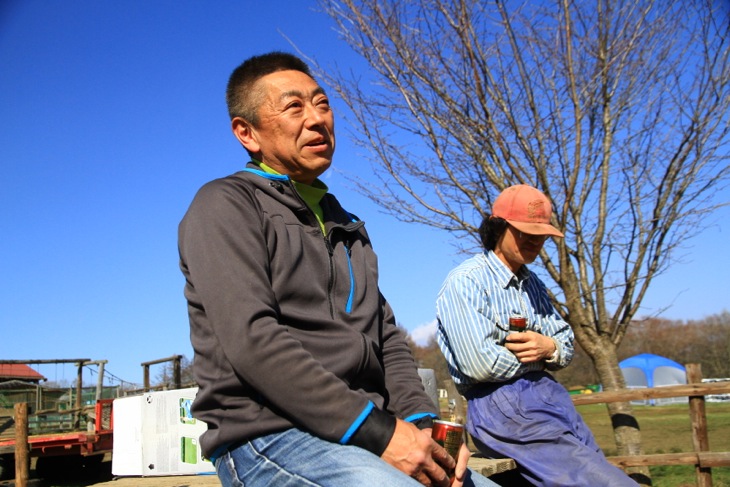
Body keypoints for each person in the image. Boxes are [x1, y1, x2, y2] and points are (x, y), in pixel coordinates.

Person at [178, 51, 498, 487]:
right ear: (246, 133)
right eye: (294, 107)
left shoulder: (348, 225)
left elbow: (386, 339)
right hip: (270, 436)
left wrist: (421, 425)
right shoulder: (224, 205)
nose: (316, 119)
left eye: (322, 104)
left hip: (367, 433)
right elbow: (253, 341)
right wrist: (380, 432)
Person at [435, 185, 638, 486]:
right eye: (523, 231)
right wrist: (539, 360)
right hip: (501, 404)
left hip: (552, 396)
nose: (534, 240)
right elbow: (480, 365)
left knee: (594, 464)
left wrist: (549, 346)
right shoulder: (466, 282)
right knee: (604, 483)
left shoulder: (534, 284)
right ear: (497, 227)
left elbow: (565, 343)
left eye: (541, 233)